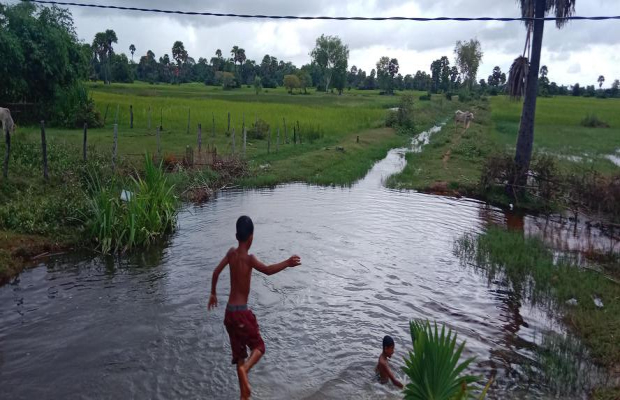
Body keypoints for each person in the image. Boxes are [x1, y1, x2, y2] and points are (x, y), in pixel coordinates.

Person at [208, 215, 301, 400]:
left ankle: (244, 394)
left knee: (240, 354)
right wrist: (287, 263)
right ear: (251, 237)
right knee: (259, 347)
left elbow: (216, 272)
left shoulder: (230, 254)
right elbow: (267, 270)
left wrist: (213, 293)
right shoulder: (250, 259)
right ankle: (246, 370)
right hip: (242, 313)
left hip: (229, 315)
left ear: (236, 236)